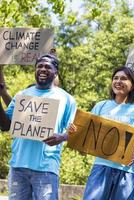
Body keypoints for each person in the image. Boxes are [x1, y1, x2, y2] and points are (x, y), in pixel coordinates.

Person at [0, 54, 77, 200]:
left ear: (56, 72)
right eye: (39, 66)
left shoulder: (67, 99)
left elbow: (74, 131)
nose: (43, 69)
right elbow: (5, 125)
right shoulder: (22, 95)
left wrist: (62, 137)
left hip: (46, 168)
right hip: (18, 166)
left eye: (48, 67)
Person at [79, 66, 134, 200]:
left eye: (123, 78)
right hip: (101, 167)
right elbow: (86, 137)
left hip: (127, 172)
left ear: (132, 84)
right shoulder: (101, 106)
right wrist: (75, 134)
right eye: (115, 78)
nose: (118, 81)